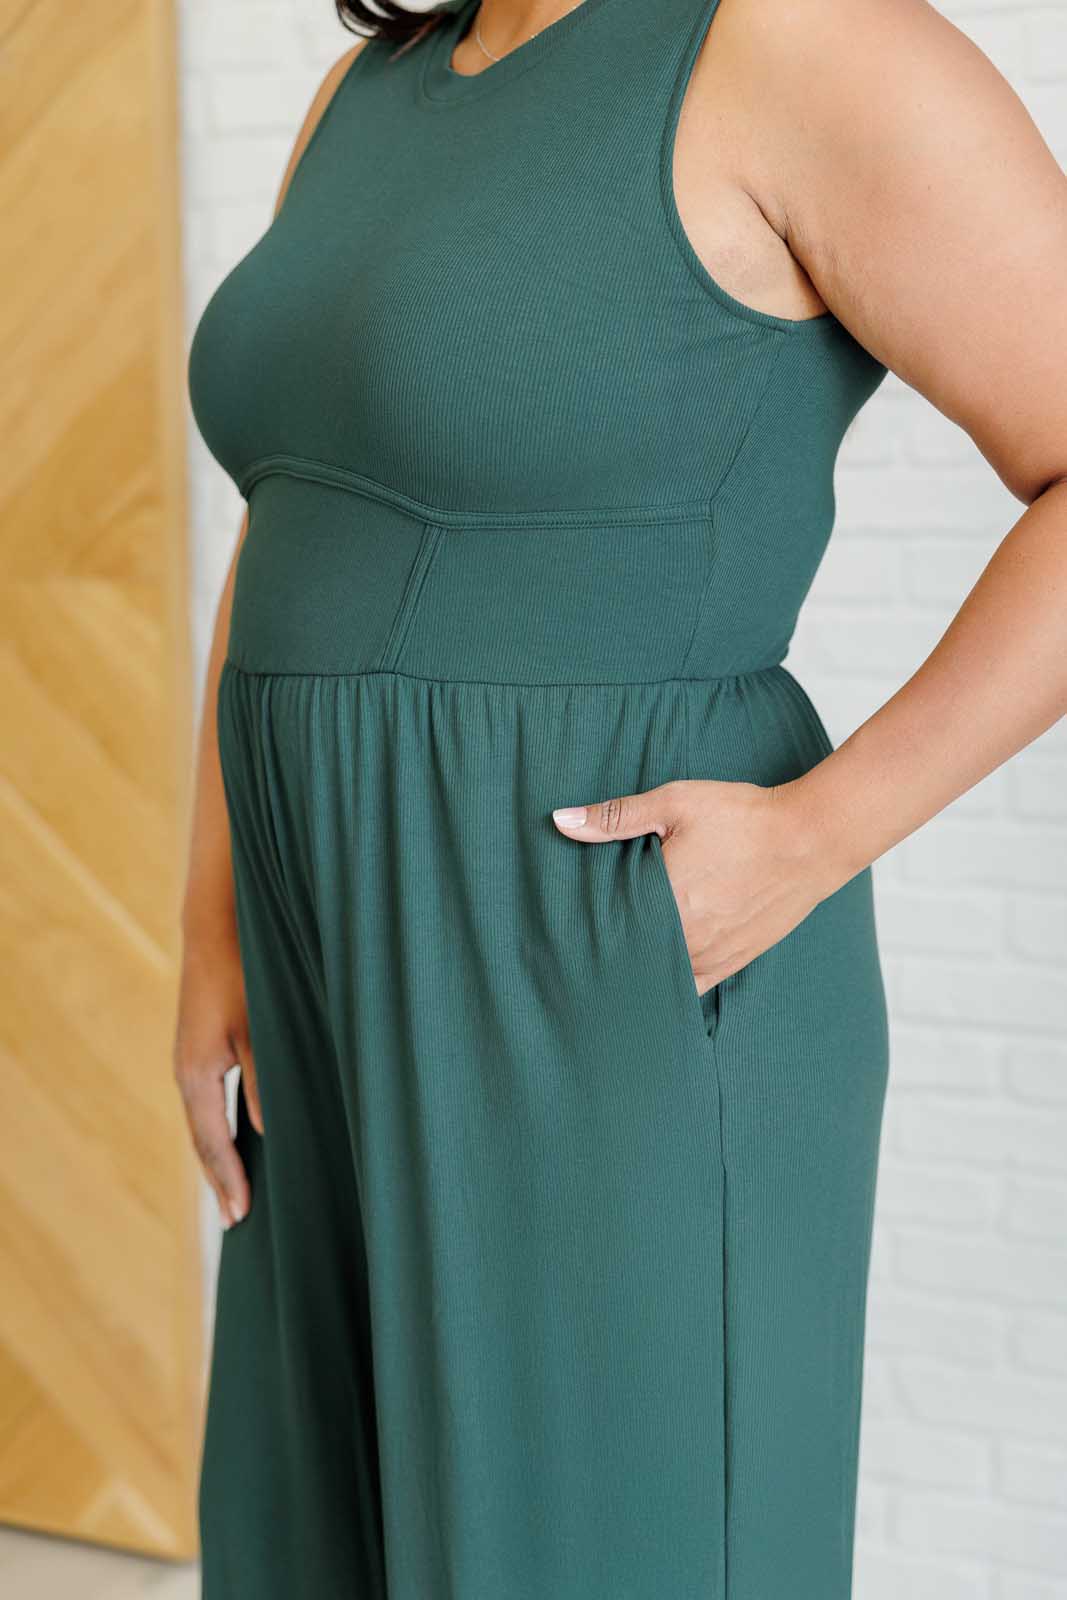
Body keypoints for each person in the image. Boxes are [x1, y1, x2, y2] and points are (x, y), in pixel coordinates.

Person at [174, 0, 1067, 1594]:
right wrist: (213, 926)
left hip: (597, 961)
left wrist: (820, 833)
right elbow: (290, 510)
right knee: (341, 1547)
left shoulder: (806, 48)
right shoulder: (365, 93)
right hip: (325, 971)